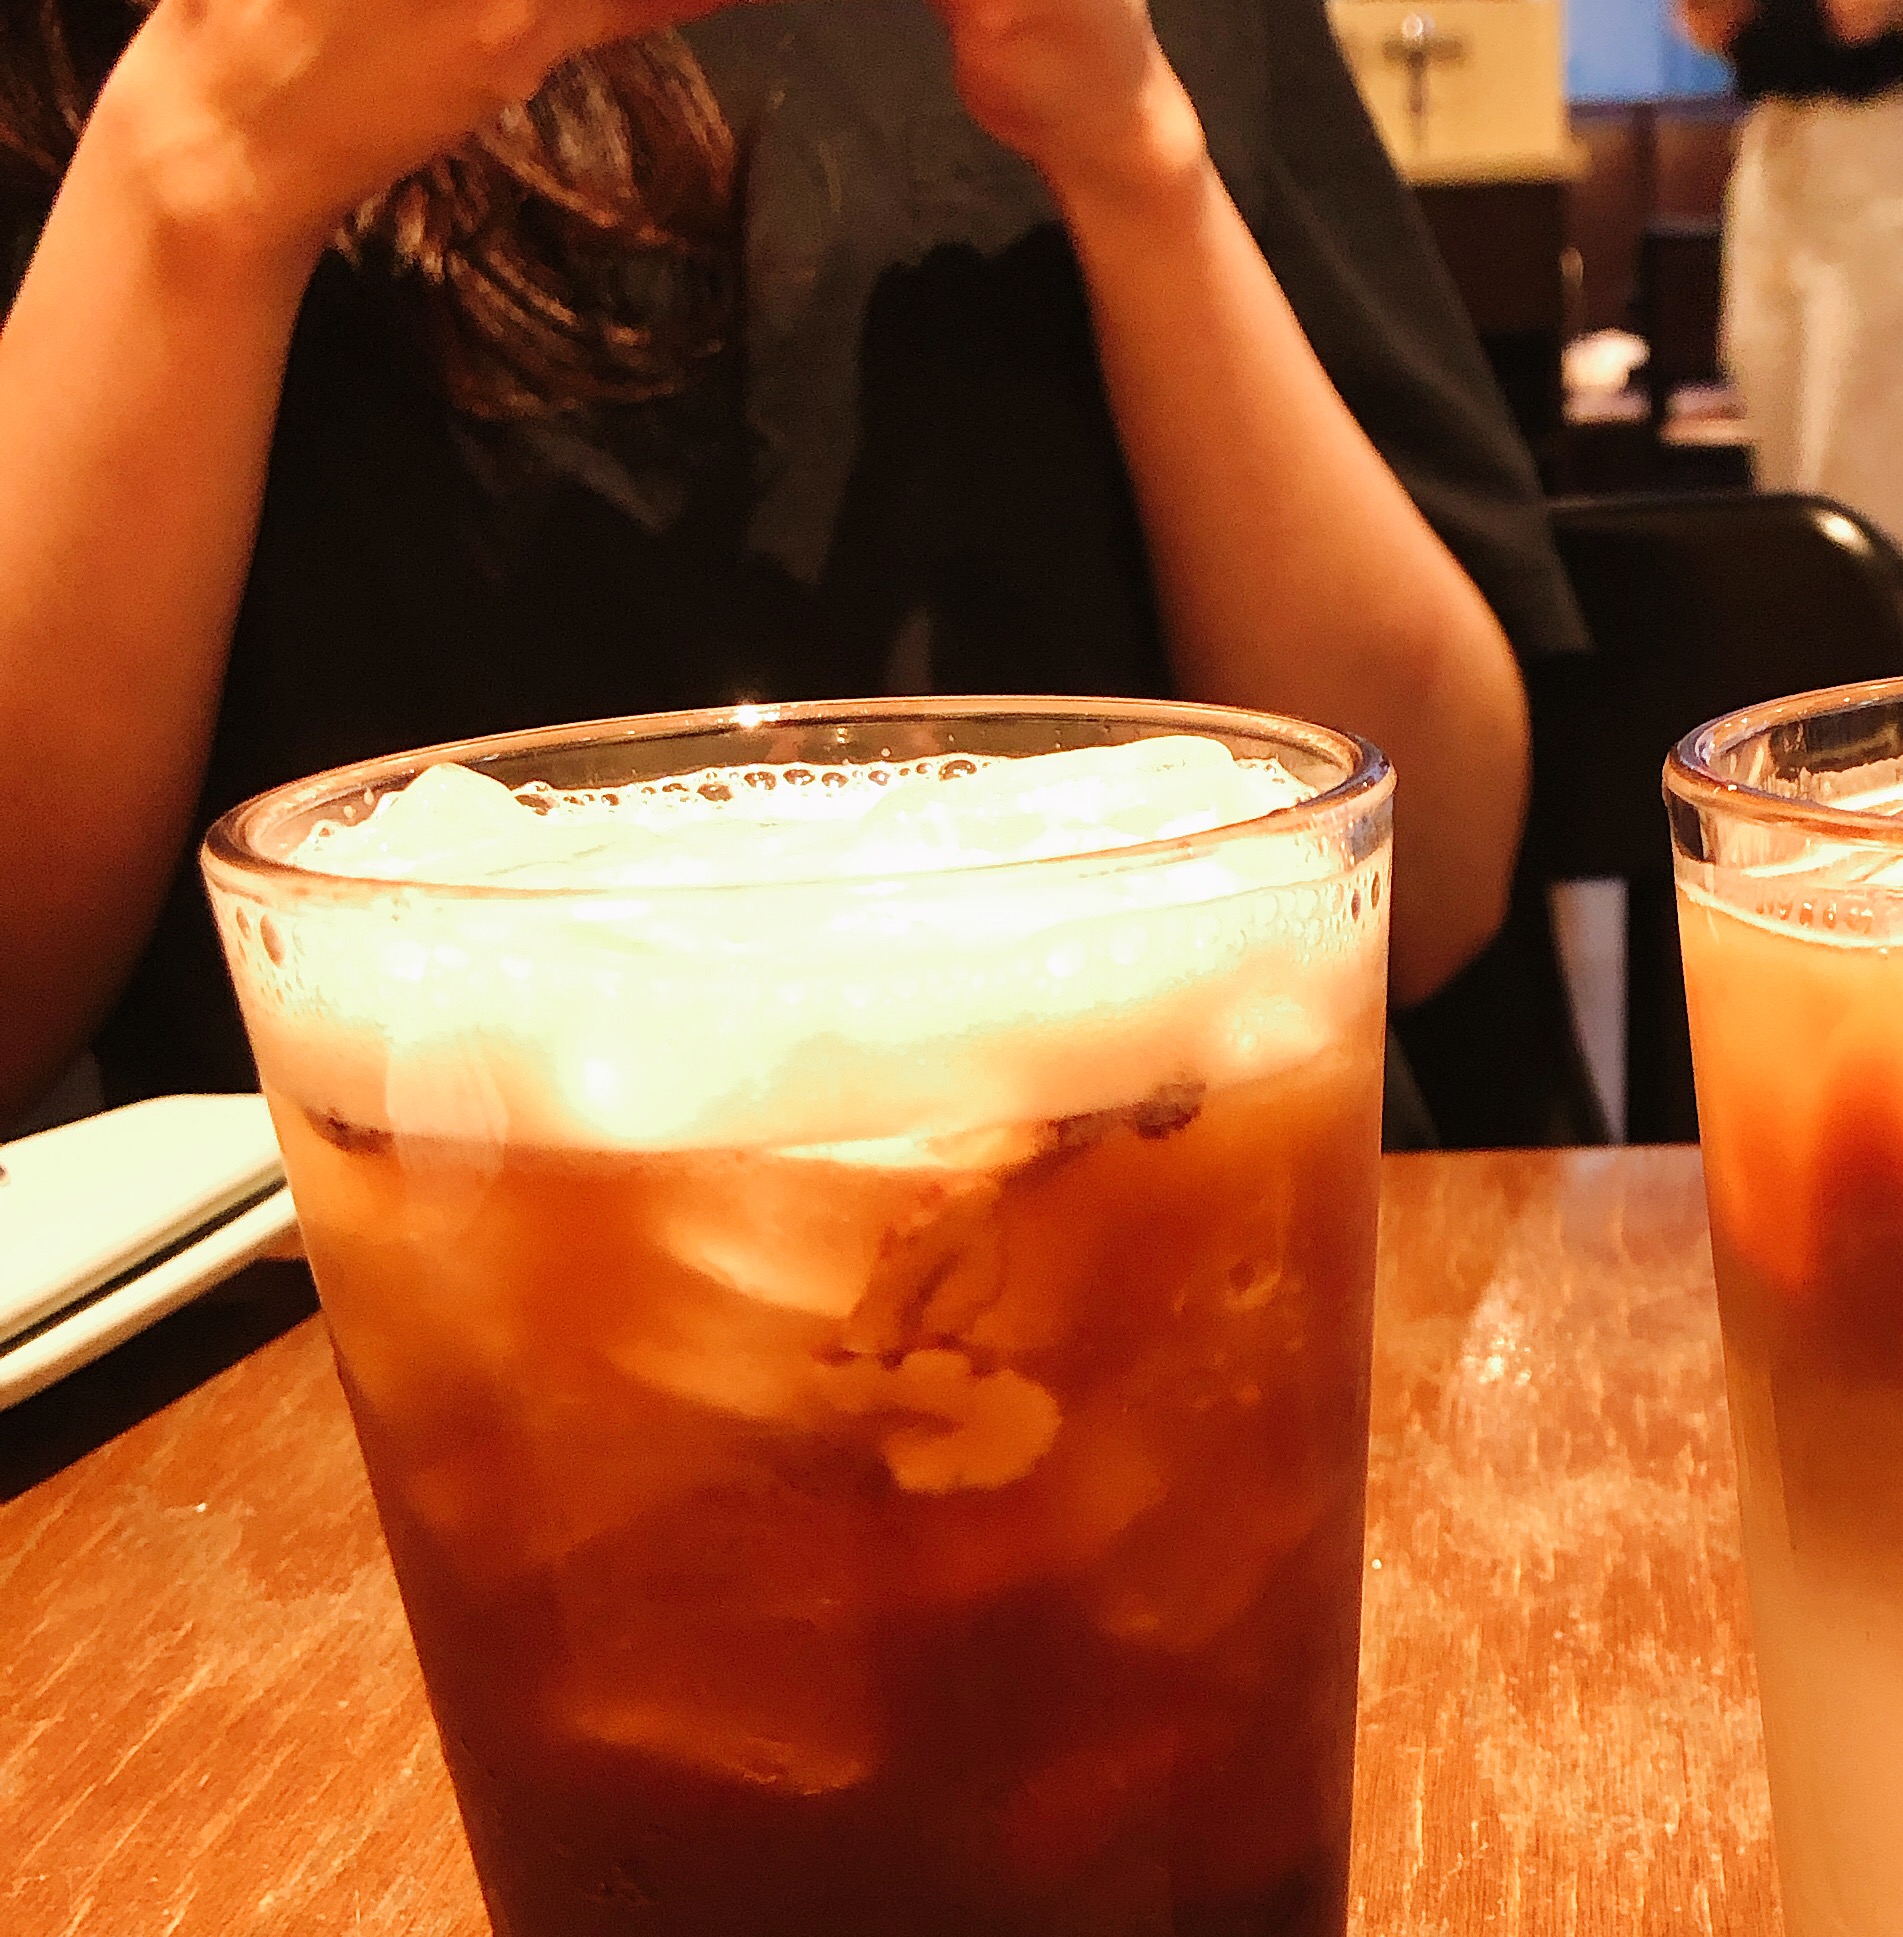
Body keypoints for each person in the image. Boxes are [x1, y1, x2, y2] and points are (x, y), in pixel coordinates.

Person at [0, 0, 1584, 1141]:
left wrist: (1134, 153)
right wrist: (199, 159)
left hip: (1170, 1248)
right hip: (372, 1352)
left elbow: (1432, 875)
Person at [1678, 0, 1903, 593]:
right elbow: (1703, 24)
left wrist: (1902, 7)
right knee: (1780, 462)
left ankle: (1889, 642)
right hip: (1774, 144)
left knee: (1867, 462)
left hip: (1889, 146)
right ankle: (1808, 642)